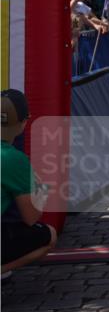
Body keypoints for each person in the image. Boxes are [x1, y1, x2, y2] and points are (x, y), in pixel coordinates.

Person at [2, 89, 57, 274]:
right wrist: (40, 188)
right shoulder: (13, 159)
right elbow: (31, 217)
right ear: (23, 123)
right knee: (49, 235)